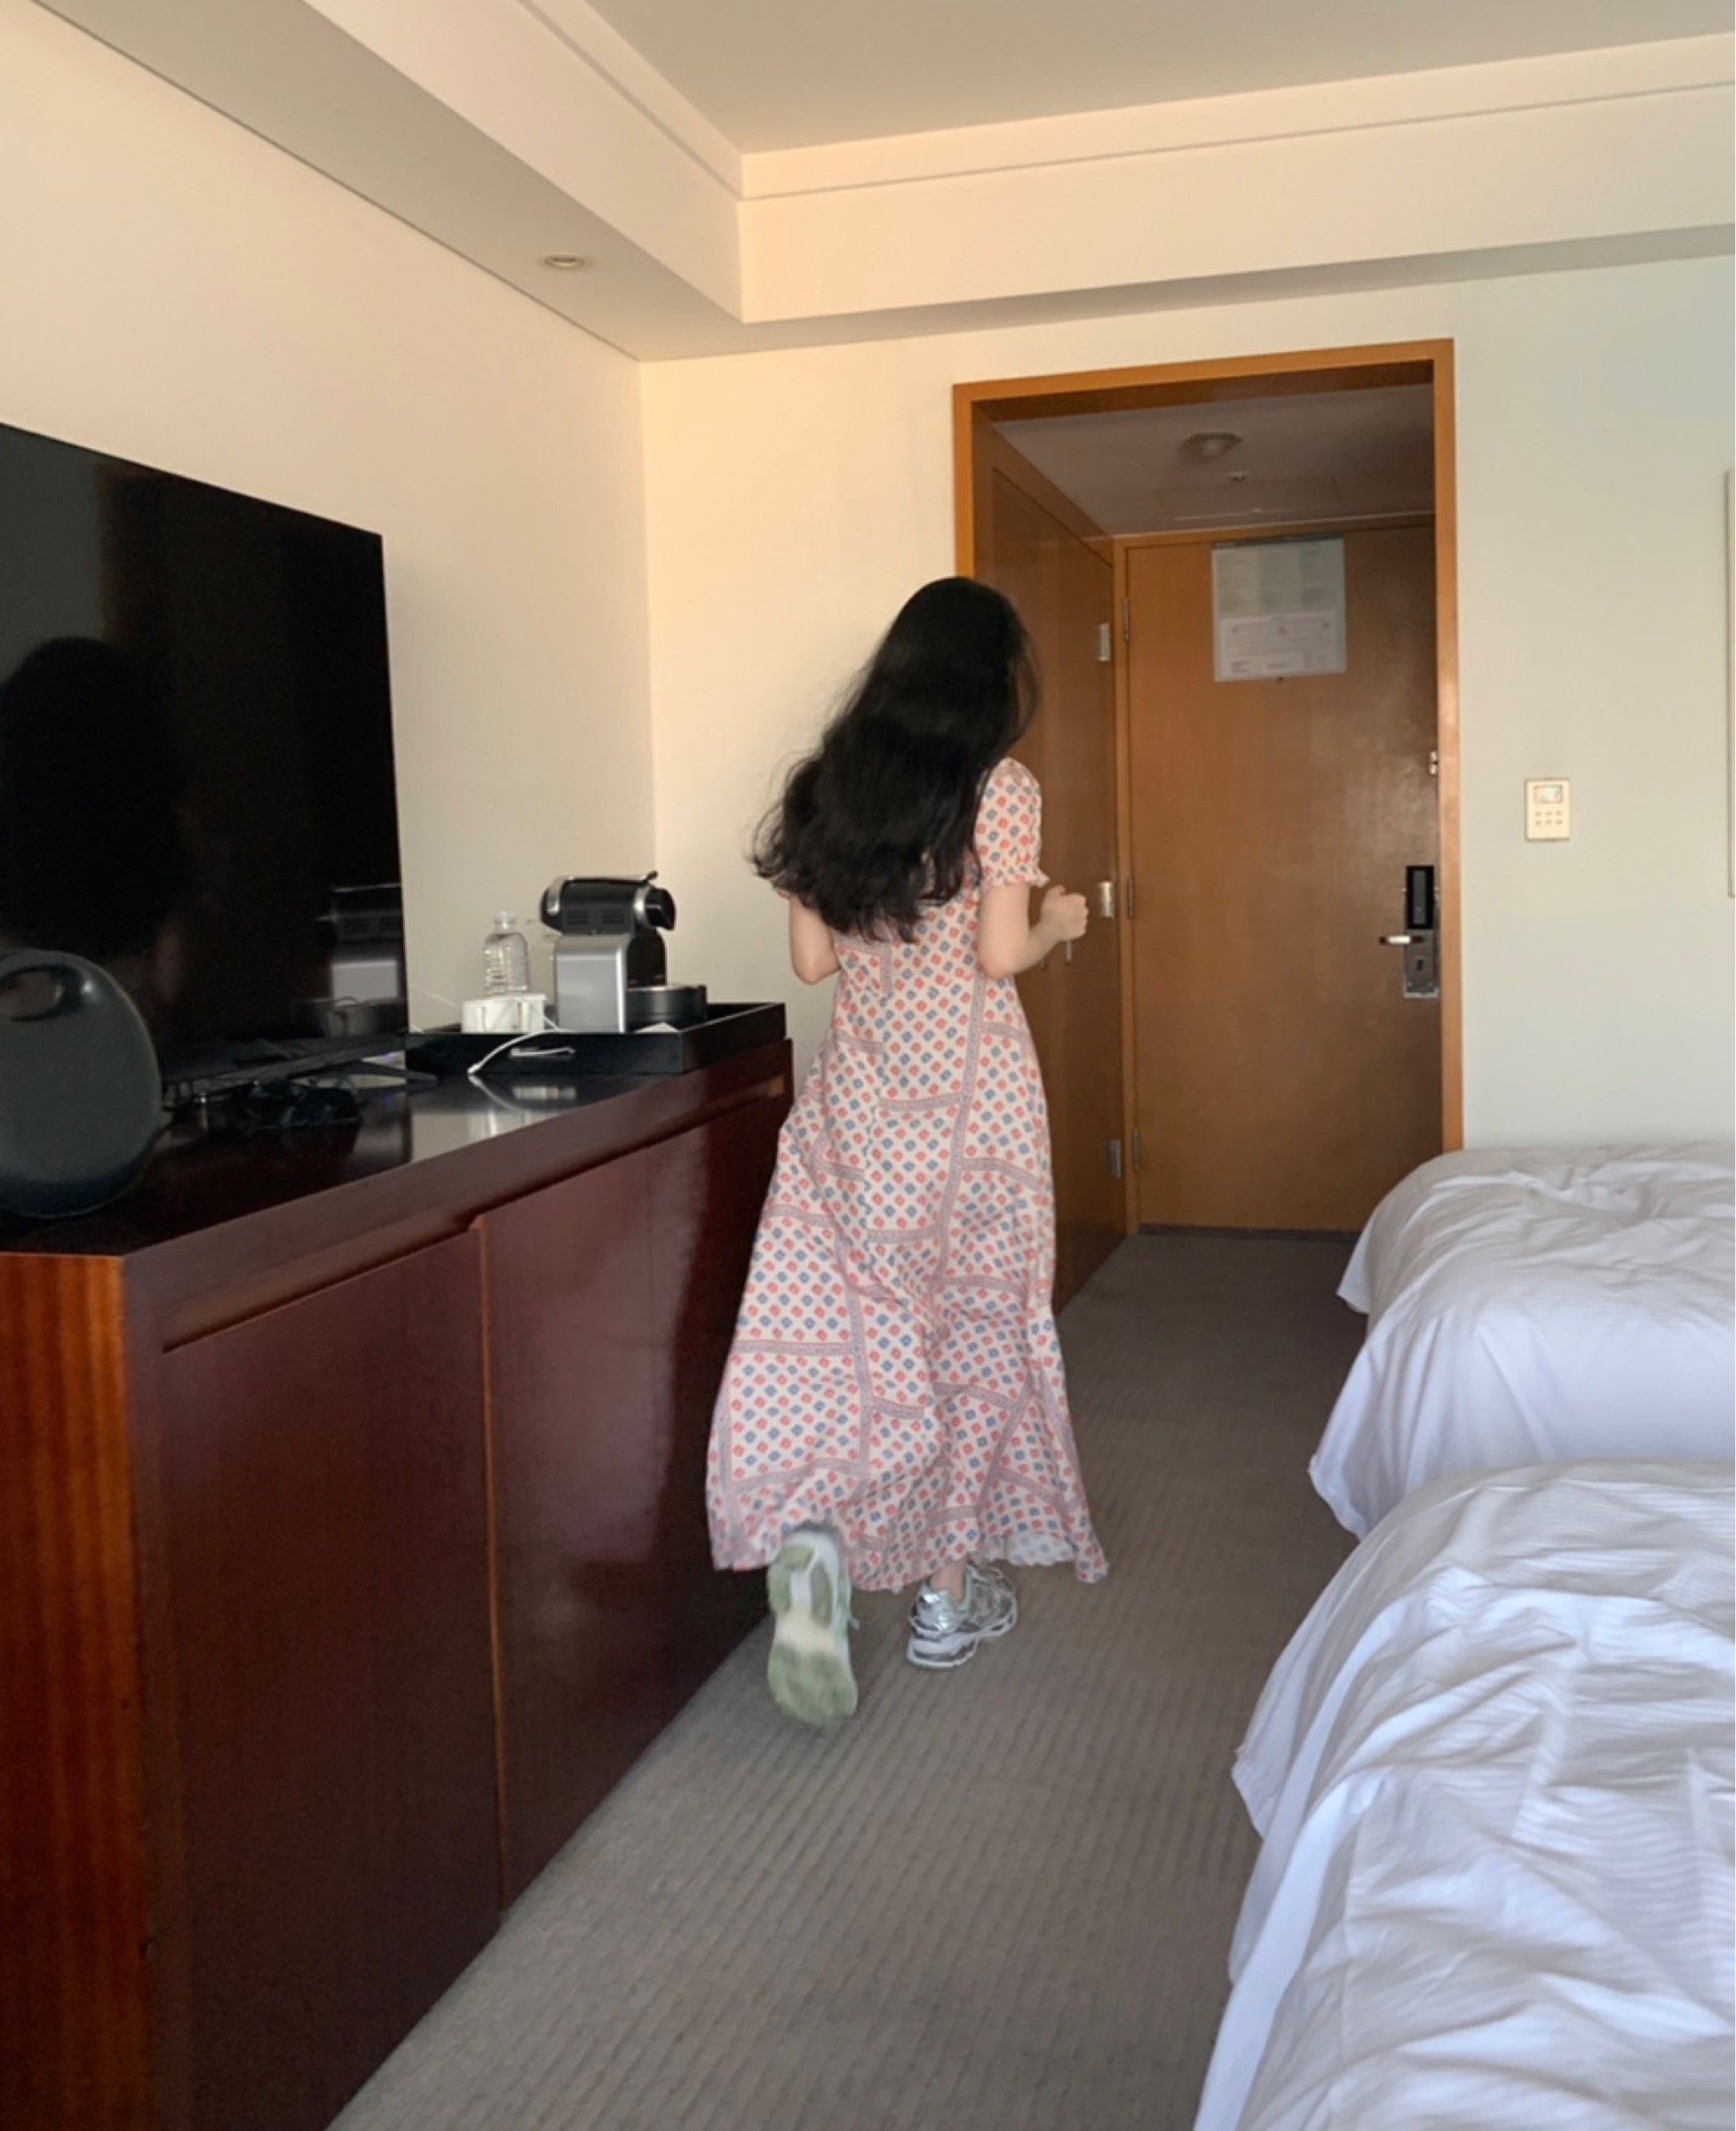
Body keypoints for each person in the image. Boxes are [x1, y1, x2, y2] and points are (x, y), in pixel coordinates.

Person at [706, 575, 1107, 1731]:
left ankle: (817, 1540)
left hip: (854, 1115)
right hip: (971, 1124)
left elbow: (812, 966)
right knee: (971, 1339)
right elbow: (996, 956)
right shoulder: (1000, 790)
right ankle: (945, 1599)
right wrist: (1057, 922)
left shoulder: (825, 789)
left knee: (848, 1344)